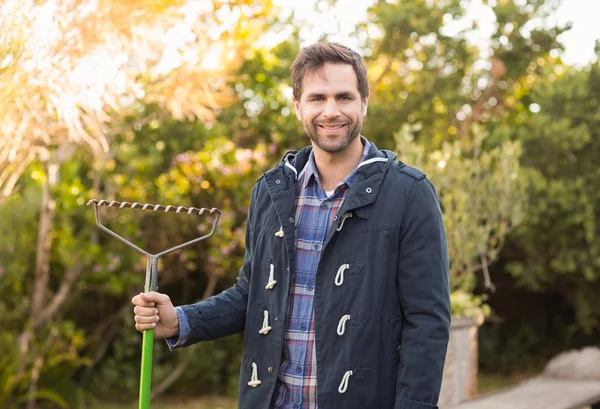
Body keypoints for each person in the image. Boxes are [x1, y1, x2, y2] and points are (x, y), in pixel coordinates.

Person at [132, 42, 451, 409]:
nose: (331, 111)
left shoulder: (408, 193)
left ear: (364, 101)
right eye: (317, 98)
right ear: (298, 105)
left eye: (344, 97)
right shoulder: (272, 190)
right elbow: (252, 295)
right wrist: (180, 321)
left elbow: (426, 323)